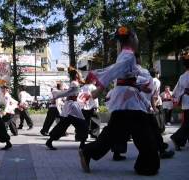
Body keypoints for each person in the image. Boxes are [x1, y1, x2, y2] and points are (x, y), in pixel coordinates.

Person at [79, 26, 160, 176]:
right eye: (136, 38)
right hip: (128, 100)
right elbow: (114, 71)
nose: (137, 41)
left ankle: (88, 152)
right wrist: (99, 87)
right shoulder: (128, 55)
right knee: (140, 132)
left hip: (127, 98)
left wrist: (97, 77)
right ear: (132, 39)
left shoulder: (125, 54)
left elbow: (115, 70)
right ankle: (147, 163)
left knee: (115, 132)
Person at [45, 67, 88, 150]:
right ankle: (82, 144)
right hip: (72, 107)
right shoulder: (75, 83)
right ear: (76, 75)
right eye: (79, 74)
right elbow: (69, 93)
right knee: (82, 125)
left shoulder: (75, 83)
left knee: (63, 125)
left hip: (71, 106)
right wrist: (57, 94)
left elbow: (71, 93)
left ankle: (50, 141)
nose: (80, 75)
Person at [171, 50, 189, 151]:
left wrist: (177, 98)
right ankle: (176, 138)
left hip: (186, 101)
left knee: (187, 122)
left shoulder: (182, 76)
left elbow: (175, 92)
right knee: (187, 124)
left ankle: (181, 140)